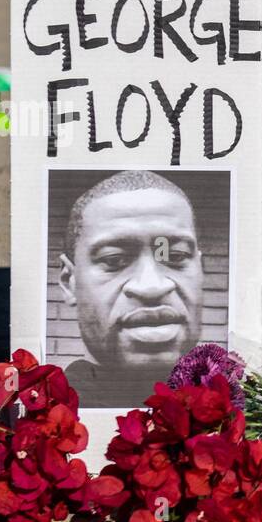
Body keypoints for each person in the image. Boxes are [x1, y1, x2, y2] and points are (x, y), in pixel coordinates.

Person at [57, 171, 205, 407]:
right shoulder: (29, 418)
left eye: (174, 255)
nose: (152, 287)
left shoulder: (254, 409)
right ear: (69, 283)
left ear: (201, 270)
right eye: (114, 260)